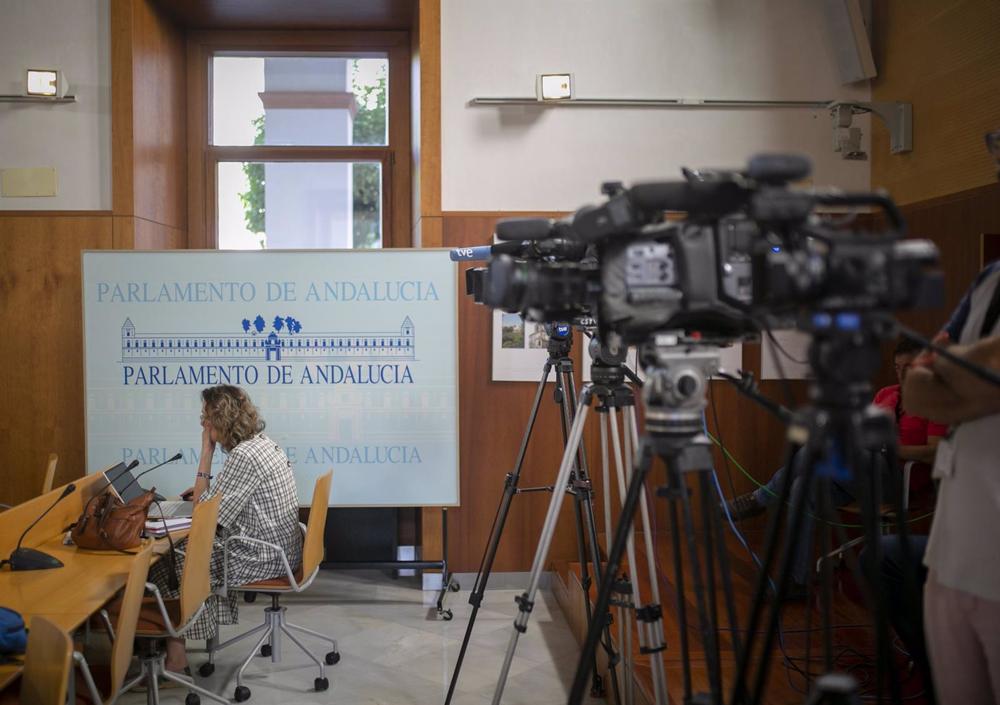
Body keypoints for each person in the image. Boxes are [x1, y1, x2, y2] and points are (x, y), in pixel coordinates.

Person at [724, 338, 946, 594]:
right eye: (898, 367)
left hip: (897, 481)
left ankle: (760, 498)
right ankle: (796, 580)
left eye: (910, 367)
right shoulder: (887, 394)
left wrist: (890, 446)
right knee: (801, 487)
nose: (903, 373)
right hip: (860, 470)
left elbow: (935, 451)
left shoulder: (935, 402)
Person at [148, 385, 303, 675]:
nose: (202, 424)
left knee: (174, 561)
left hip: (262, 559)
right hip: (283, 550)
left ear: (221, 420)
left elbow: (204, 517)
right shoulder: (261, 443)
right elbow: (221, 499)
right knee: (186, 553)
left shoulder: (244, 456)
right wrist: (204, 494)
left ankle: (175, 659)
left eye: (206, 417)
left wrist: (205, 452)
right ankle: (170, 646)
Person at [903, 255, 1000, 704]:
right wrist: (976, 380)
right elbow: (916, 388)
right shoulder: (989, 277)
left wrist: (946, 371)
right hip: (952, 552)